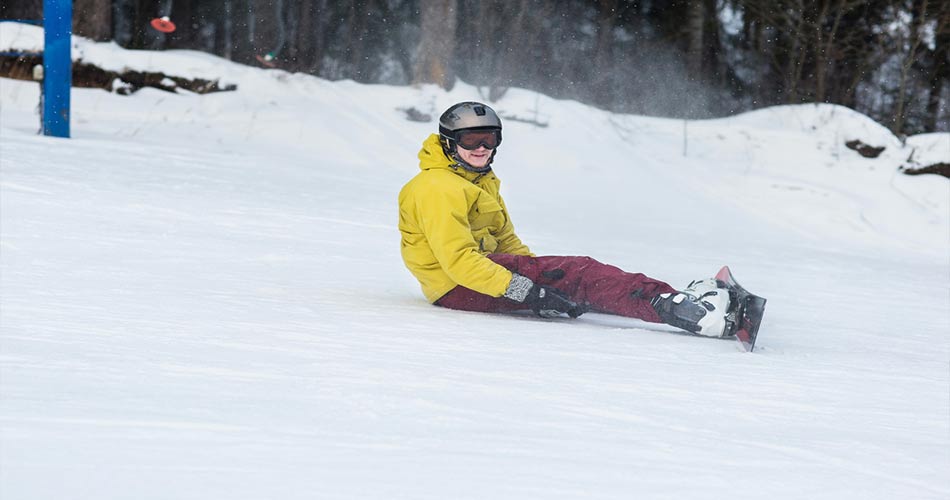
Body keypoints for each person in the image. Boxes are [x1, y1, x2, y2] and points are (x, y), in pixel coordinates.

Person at [398, 101, 733, 338]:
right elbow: (457, 262)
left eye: (490, 138)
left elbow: (507, 240)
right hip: (459, 286)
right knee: (579, 273)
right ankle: (690, 312)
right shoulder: (438, 187)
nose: (482, 147)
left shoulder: (478, 179)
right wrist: (527, 290)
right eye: (471, 139)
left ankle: (677, 301)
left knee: (574, 283)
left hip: (478, 276)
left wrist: (539, 278)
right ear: (448, 141)